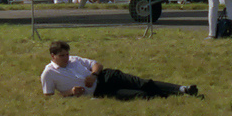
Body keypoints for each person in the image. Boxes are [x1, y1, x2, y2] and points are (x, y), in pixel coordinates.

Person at [41, 41, 200, 100]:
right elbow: (48, 97)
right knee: (140, 96)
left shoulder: (75, 60)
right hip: (98, 93)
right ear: (53, 56)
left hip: (105, 77)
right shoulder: (49, 73)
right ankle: (179, 97)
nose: (66, 58)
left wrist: (93, 74)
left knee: (141, 83)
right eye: (62, 56)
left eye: (67, 54)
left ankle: (181, 88)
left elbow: (97, 64)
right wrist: (70, 92)